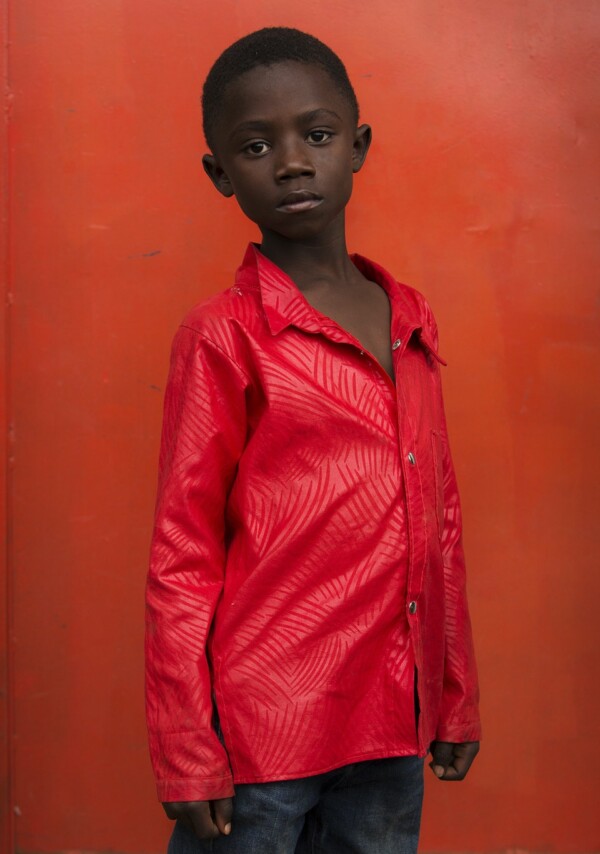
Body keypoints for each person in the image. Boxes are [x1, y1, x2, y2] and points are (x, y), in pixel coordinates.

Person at [145, 27, 481, 854]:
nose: (292, 162)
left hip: (391, 725)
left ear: (358, 147)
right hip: (265, 735)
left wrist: (453, 691)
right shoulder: (225, 337)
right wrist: (187, 750)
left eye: (318, 136)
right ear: (221, 173)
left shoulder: (409, 319)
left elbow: (437, 521)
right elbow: (183, 552)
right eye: (257, 146)